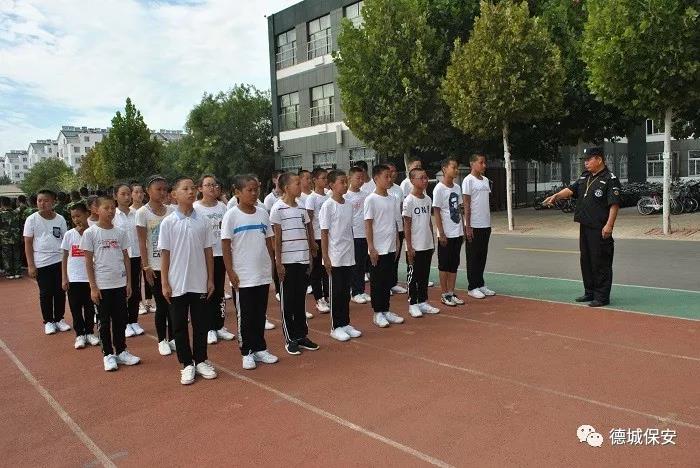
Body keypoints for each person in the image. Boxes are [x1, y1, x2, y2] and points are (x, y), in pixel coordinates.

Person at [543, 147, 621, 307]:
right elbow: (571, 190)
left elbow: (614, 205)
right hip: (585, 225)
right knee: (586, 260)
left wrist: (609, 225)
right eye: (584, 160)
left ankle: (602, 297)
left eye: (588, 159)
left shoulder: (610, 179)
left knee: (600, 262)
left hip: (600, 228)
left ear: (599, 159)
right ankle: (589, 292)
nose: (585, 162)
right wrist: (556, 196)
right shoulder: (585, 176)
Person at [158, 176, 217, 385]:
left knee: (201, 324)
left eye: (193, 188)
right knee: (179, 326)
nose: (191, 192)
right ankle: (186, 364)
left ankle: (200, 360)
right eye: (185, 189)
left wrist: (210, 279)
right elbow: (165, 254)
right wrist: (164, 282)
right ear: (174, 194)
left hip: (199, 281)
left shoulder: (203, 220)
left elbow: (208, 251)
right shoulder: (168, 222)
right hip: (177, 283)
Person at [221, 174, 279, 370]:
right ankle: (246, 351)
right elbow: (225, 246)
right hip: (243, 275)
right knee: (245, 315)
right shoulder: (231, 215)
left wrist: (271, 265)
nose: (254, 193)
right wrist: (230, 272)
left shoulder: (262, 213)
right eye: (250, 190)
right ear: (237, 192)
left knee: (260, 313)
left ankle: (260, 348)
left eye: (256, 190)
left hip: (262, 272)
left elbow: (268, 241)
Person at [80, 196, 141, 371]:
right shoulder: (90, 233)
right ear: (96, 210)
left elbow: (126, 258)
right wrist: (93, 287)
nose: (110, 211)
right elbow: (88, 261)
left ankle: (121, 351)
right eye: (106, 208)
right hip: (102, 286)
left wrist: (129, 282)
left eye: (112, 208)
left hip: (120, 284)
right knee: (104, 322)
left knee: (120, 320)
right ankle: (108, 354)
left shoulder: (120, 232)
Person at [269, 172, 320, 355]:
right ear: (286, 188)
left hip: (302, 259)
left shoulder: (301, 208)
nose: (301, 186)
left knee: (300, 300)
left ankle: (301, 335)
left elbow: (307, 232)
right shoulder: (278, 209)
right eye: (297, 183)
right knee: (288, 302)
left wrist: (310, 257)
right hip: (287, 262)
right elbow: (276, 238)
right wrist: (279, 262)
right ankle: (290, 338)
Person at [320, 170, 362, 342]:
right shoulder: (328, 206)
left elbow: (348, 230)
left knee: (345, 292)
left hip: (348, 255)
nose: (345, 185)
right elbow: (324, 233)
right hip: (335, 256)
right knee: (336, 292)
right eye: (341, 182)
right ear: (331, 185)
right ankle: (335, 326)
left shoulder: (349, 205)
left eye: (346, 181)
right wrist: (326, 257)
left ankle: (345, 323)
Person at [136, 175, 175, 356]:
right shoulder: (142, 213)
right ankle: (162, 340)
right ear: (148, 191)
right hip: (155, 266)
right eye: (158, 189)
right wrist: (146, 267)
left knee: (174, 305)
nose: (162, 192)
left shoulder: (172, 211)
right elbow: (142, 242)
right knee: (162, 304)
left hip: (173, 265)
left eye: (164, 189)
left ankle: (173, 337)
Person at [195, 175, 235, 344]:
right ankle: (208, 328)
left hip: (220, 254)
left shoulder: (222, 207)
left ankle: (219, 326)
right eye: (208, 185)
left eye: (214, 185)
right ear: (200, 188)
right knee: (206, 290)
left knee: (219, 291)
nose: (212, 188)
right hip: (204, 255)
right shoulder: (196, 208)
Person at [24, 189, 70, 335]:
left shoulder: (60, 219)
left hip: (59, 260)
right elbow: (28, 243)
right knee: (46, 293)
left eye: (46, 200)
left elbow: (65, 241)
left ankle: (59, 319)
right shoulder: (31, 219)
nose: (42, 203)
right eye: (39, 201)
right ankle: (48, 321)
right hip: (41, 262)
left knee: (60, 291)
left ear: (53, 202)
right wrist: (31, 265)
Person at [364, 165, 404, 328]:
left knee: (387, 280)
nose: (389, 179)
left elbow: (395, 222)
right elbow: (368, 224)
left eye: (390, 176)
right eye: (385, 176)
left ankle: (386, 309)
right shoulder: (371, 199)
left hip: (391, 246)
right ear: (376, 179)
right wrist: (371, 247)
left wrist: (397, 241)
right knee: (377, 281)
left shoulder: (393, 198)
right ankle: (378, 312)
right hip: (378, 248)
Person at [61, 203, 100, 349]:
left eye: (78, 216)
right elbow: (65, 256)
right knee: (75, 308)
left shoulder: (94, 232)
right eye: (73, 217)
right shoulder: (69, 235)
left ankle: (90, 332)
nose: (76, 219)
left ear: (87, 214)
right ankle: (80, 335)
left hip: (90, 279)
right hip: (74, 278)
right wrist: (64, 277)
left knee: (90, 308)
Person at [403, 167, 440, 317]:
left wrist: (432, 241)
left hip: (427, 244)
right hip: (414, 246)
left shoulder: (427, 199)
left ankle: (423, 301)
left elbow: (429, 222)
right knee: (413, 275)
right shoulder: (409, 200)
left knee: (424, 275)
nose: (425, 180)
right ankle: (413, 303)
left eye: (426, 177)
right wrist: (409, 246)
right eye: (421, 178)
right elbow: (407, 225)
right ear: (412, 180)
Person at [462, 153, 496, 299]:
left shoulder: (486, 180)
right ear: (472, 164)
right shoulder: (468, 180)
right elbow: (466, 204)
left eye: (484, 162)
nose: (484, 165)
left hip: (485, 224)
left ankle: (480, 283)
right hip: (474, 225)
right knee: (473, 257)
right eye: (481, 162)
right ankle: (472, 286)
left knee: (482, 255)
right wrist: (468, 226)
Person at [432, 157, 465, 307]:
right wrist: (441, 233)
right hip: (446, 233)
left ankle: (451, 292)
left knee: (454, 264)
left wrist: (462, 228)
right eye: (454, 167)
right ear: (445, 169)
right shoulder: (439, 189)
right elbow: (436, 212)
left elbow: (459, 209)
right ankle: (444, 294)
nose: (456, 170)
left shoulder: (457, 187)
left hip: (457, 231)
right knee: (444, 265)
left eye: (457, 167)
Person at [113, 183, 144, 337]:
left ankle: (133, 320)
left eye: (128, 194)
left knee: (135, 289)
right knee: (122, 290)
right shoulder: (113, 215)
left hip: (136, 256)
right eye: (123, 194)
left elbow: (141, 236)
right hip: (119, 258)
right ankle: (123, 322)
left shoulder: (136, 214)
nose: (126, 197)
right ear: (115, 196)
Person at [344, 166, 371, 304]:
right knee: (354, 265)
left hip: (364, 233)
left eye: (362, 178)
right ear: (349, 178)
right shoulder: (345, 196)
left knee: (362, 264)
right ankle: (354, 292)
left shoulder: (366, 195)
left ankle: (361, 290)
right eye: (358, 178)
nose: (361, 181)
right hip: (352, 235)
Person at [306, 167, 330, 313]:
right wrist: (311, 241)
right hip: (316, 237)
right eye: (323, 178)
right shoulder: (312, 198)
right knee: (316, 270)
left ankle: (327, 295)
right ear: (315, 180)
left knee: (327, 268)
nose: (326, 180)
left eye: (327, 178)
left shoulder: (328, 196)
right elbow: (308, 221)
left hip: (327, 238)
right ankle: (318, 298)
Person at [387, 163, 408, 295]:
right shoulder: (378, 190)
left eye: (394, 171)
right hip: (387, 229)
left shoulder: (398, 189)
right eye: (390, 171)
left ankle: (392, 283)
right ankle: (385, 285)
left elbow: (401, 209)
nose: (393, 174)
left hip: (398, 227)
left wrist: (403, 226)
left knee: (396, 256)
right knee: (386, 258)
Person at [0, 197, 22, 279]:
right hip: (16, 237)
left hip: (5, 238)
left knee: (7, 256)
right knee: (17, 254)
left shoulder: (1, 214)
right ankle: (18, 272)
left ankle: (9, 273)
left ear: (1, 204)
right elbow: (20, 224)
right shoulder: (16, 213)